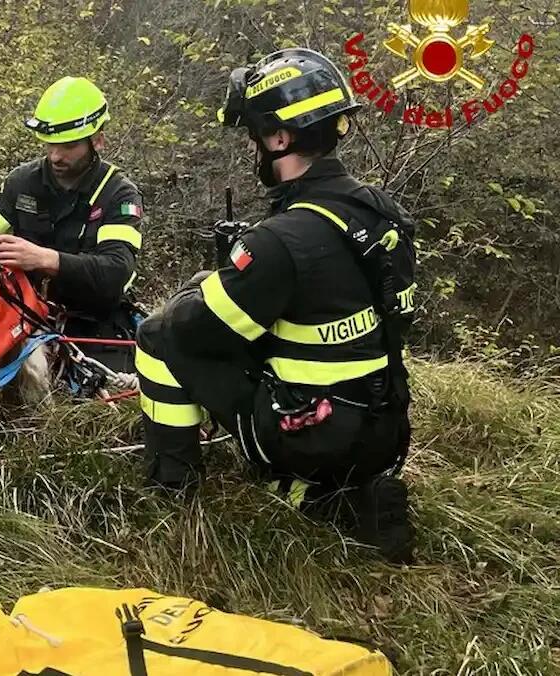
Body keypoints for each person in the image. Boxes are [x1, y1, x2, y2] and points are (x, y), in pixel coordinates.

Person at [134, 48, 418, 563]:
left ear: (280, 137)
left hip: (311, 436)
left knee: (157, 334)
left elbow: (197, 332)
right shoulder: (378, 211)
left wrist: (192, 296)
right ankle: (334, 498)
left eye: (255, 137)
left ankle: (171, 489)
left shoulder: (280, 240)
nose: (254, 150)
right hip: (384, 427)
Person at [0, 76, 145, 375]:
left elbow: (115, 271)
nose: (56, 155)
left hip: (92, 322)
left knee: (89, 398)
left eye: (69, 146)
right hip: (23, 316)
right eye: (50, 144)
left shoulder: (119, 194)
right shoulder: (23, 181)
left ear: (97, 140)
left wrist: (44, 259)